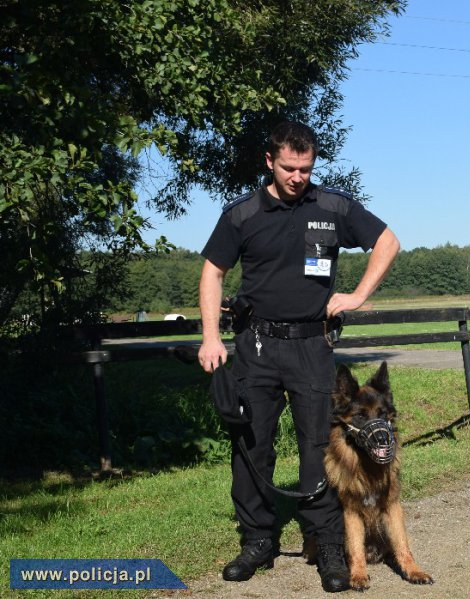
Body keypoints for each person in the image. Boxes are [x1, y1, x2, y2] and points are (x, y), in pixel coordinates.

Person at [197, 121, 400, 592]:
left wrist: (358, 296)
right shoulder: (242, 213)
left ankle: (326, 544)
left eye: (305, 169)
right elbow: (212, 272)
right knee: (252, 445)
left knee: (318, 447)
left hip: (313, 346)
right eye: (289, 168)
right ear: (269, 161)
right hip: (257, 346)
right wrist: (211, 337)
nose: (297, 177)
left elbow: (388, 242)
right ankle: (257, 541)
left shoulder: (332, 207)